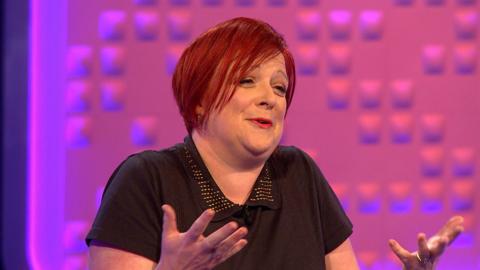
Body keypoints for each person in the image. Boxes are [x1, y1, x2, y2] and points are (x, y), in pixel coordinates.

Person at [86, 17, 464, 270]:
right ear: (199, 97)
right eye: (247, 81)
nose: (270, 98)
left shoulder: (298, 172)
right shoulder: (147, 179)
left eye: (279, 87)